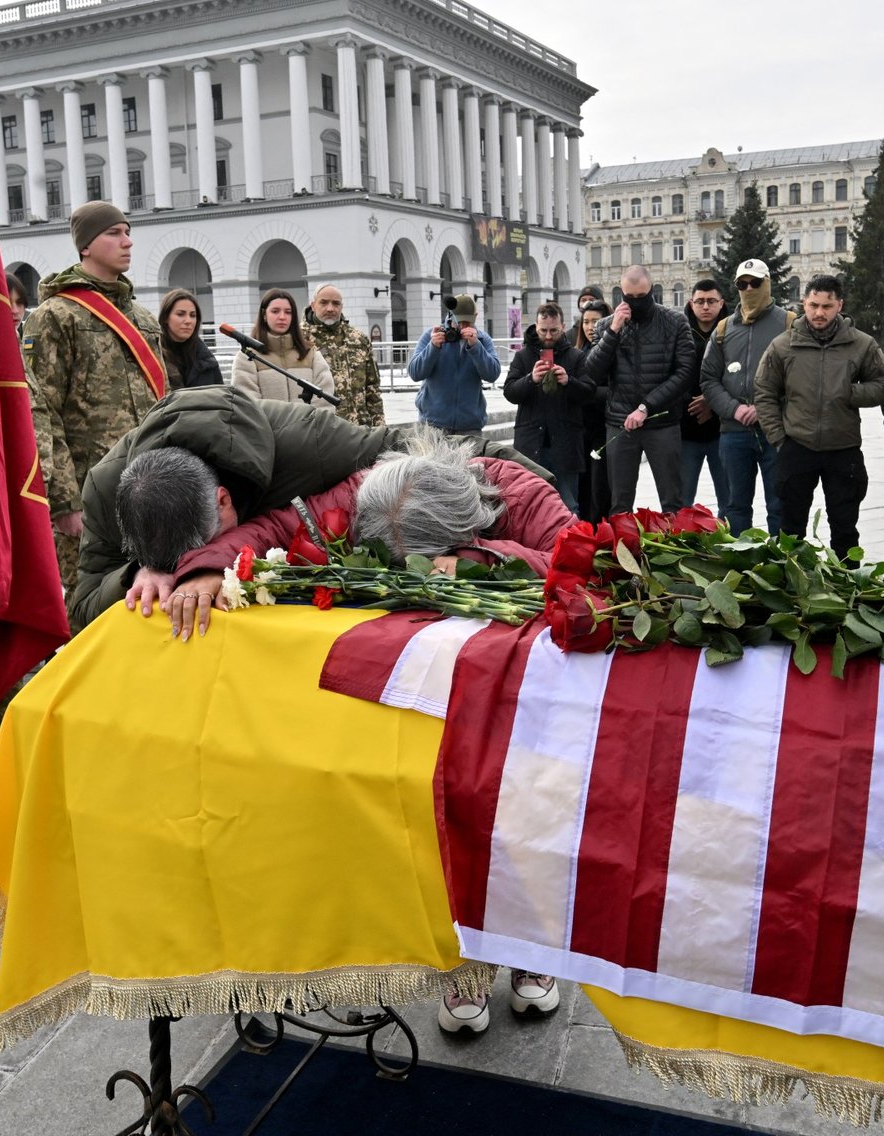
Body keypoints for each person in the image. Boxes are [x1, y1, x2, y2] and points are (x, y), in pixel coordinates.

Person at [137, 429, 575, 1036]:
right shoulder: (369, 491)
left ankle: (533, 956)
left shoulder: (519, 492)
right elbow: (271, 529)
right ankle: (463, 966)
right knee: (443, 815)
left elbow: (579, 567)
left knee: (514, 810)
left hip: (513, 689)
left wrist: (480, 562)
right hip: (430, 696)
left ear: (468, 524)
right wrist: (206, 568)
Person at [67, 387, 548, 632]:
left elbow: (415, 447)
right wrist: (133, 576)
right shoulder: (105, 492)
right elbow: (82, 603)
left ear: (222, 499)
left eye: (210, 543)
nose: (196, 559)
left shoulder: (306, 443)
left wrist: (525, 481)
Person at [26, 201, 168, 591]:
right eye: (114, 233)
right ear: (85, 246)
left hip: (148, 485)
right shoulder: (56, 315)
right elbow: (40, 409)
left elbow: (164, 402)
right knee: (87, 604)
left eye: (128, 232)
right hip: (92, 492)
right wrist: (64, 500)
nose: (128, 242)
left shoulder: (141, 318)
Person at [753, 275, 884, 558]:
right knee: (791, 529)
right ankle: (793, 583)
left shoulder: (861, 344)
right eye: (813, 304)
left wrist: (851, 393)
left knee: (845, 527)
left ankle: (848, 586)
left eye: (827, 306)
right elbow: (764, 392)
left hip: (843, 448)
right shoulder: (782, 346)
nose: (819, 312)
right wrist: (779, 439)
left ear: (839, 305)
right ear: (804, 303)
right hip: (797, 446)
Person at [581, 265, 696, 513]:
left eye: (641, 297)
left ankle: (675, 548)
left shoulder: (675, 322)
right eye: (628, 297)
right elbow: (592, 373)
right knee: (620, 503)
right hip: (620, 422)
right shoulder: (605, 326)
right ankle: (623, 549)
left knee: (672, 502)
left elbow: (685, 373)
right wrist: (613, 332)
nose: (635, 303)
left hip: (662, 422)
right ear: (621, 294)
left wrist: (647, 406)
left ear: (651, 291)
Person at [699, 258, 791, 535]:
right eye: (742, 284)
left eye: (755, 283)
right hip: (733, 431)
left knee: (780, 505)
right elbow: (708, 378)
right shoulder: (724, 329)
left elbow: (800, 379)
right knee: (734, 506)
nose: (749, 288)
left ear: (767, 283)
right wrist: (733, 409)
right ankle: (741, 566)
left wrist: (765, 409)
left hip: (776, 431)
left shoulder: (789, 324)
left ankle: (783, 565)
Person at [503, 301, 593, 512]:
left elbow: (589, 392)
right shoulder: (523, 356)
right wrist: (530, 379)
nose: (549, 336)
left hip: (565, 445)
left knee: (569, 506)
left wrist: (569, 381)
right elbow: (509, 392)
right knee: (529, 507)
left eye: (554, 330)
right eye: (543, 330)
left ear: (563, 327)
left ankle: (571, 544)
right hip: (531, 445)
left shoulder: (575, 356)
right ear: (535, 327)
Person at [407, 294, 500, 437]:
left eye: (467, 323)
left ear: (475, 316)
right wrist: (433, 347)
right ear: (450, 317)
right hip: (433, 425)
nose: (463, 327)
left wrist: (476, 347)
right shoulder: (431, 336)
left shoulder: (482, 339)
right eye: (459, 322)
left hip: (470, 426)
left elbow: (492, 374)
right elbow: (415, 373)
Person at [233, 288, 335, 407]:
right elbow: (247, 404)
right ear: (264, 314)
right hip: (267, 425)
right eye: (275, 311)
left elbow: (324, 401)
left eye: (288, 312)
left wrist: (308, 423)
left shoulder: (311, 354)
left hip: (308, 425)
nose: (282, 317)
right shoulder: (248, 356)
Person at [679, 280, 730, 510]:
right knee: (681, 500)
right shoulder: (679, 332)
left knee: (728, 500)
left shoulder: (732, 330)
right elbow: (673, 375)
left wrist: (712, 401)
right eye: (700, 301)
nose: (705, 306)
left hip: (723, 428)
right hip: (686, 430)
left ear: (721, 303)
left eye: (711, 301)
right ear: (691, 303)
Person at [302, 283, 384, 427]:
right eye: (324, 302)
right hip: (320, 428)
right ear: (313, 305)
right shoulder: (299, 338)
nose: (330, 308)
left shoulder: (359, 339)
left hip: (359, 428)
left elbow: (373, 388)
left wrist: (380, 427)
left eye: (336, 303)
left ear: (341, 307)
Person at [574, 300, 613, 522]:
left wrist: (585, 391)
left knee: (601, 490)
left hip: (605, 429)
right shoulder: (578, 351)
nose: (590, 327)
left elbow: (619, 390)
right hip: (580, 430)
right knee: (583, 490)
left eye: (595, 321)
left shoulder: (615, 351)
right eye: (586, 322)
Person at [158, 288, 222, 389]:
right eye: (180, 314)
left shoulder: (206, 358)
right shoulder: (154, 355)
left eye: (193, 315)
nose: (188, 321)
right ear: (165, 317)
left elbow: (220, 397)